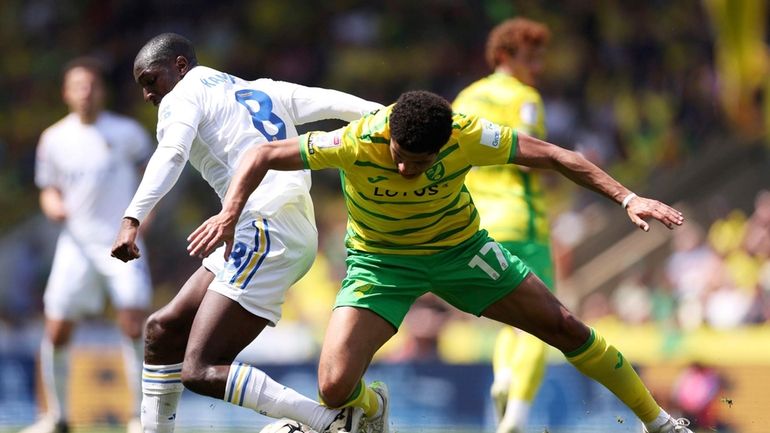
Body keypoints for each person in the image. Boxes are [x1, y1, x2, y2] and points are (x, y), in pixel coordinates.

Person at [188, 90, 694, 433]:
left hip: (461, 251)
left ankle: (659, 423)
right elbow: (262, 156)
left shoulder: (468, 134)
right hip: (380, 264)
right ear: (388, 135)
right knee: (333, 386)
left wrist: (627, 198)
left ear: (445, 146)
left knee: (564, 327)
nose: (406, 168)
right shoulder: (355, 140)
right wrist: (229, 214)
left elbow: (555, 155)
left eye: (421, 162)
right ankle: (372, 409)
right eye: (400, 155)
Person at [110, 33, 383, 433]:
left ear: (181, 66)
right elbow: (333, 102)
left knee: (200, 370)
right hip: (265, 228)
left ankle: (332, 422)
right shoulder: (259, 89)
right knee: (162, 330)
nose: (150, 95)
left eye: (152, 81)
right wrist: (391, 115)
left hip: (263, 228)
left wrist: (132, 218)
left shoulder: (183, 96)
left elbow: (172, 152)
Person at [24, 57, 153, 433]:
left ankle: (137, 416)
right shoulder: (53, 139)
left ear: (102, 90)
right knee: (57, 329)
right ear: (66, 92)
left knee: (133, 322)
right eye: (78, 86)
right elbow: (48, 189)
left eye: (92, 85)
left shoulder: (128, 132)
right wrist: (54, 206)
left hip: (121, 242)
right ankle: (58, 417)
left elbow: (154, 180)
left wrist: (143, 223)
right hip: (76, 244)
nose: (85, 92)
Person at [451, 17, 553, 433]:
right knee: (543, 322)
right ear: (504, 56)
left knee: (510, 319)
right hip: (522, 220)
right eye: (531, 58)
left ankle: (504, 379)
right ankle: (518, 415)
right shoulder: (526, 97)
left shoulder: (465, 98)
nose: (537, 68)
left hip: (478, 225)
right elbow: (529, 156)